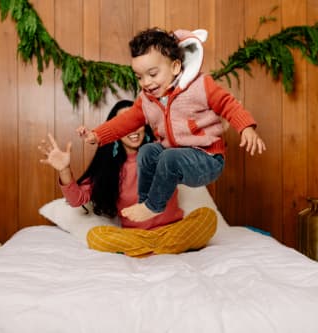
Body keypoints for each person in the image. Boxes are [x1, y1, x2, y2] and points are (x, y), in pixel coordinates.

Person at [78, 27, 266, 223]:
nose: (146, 82)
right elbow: (125, 121)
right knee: (148, 151)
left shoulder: (200, 85)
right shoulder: (147, 100)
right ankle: (145, 202)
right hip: (176, 156)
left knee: (169, 156)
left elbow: (228, 104)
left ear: (175, 67)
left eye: (152, 74)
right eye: (139, 77)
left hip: (207, 158)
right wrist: (97, 135)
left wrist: (246, 127)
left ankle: (154, 206)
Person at [39, 100, 217, 257]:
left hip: (175, 229)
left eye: (135, 121)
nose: (131, 128)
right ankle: (165, 247)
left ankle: (151, 247)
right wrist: (64, 169)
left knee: (207, 217)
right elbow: (77, 199)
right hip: (134, 236)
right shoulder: (108, 168)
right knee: (96, 235)